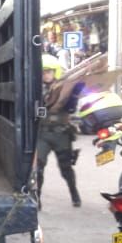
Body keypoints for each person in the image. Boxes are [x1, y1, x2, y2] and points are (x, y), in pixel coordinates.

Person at [37, 55, 82, 207]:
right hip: (43, 133)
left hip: (61, 133)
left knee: (66, 168)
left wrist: (74, 94)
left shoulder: (64, 88)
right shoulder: (36, 89)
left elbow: (71, 108)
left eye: (48, 72)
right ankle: (37, 199)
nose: (46, 75)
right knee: (38, 168)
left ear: (55, 72)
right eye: (43, 72)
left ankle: (74, 194)